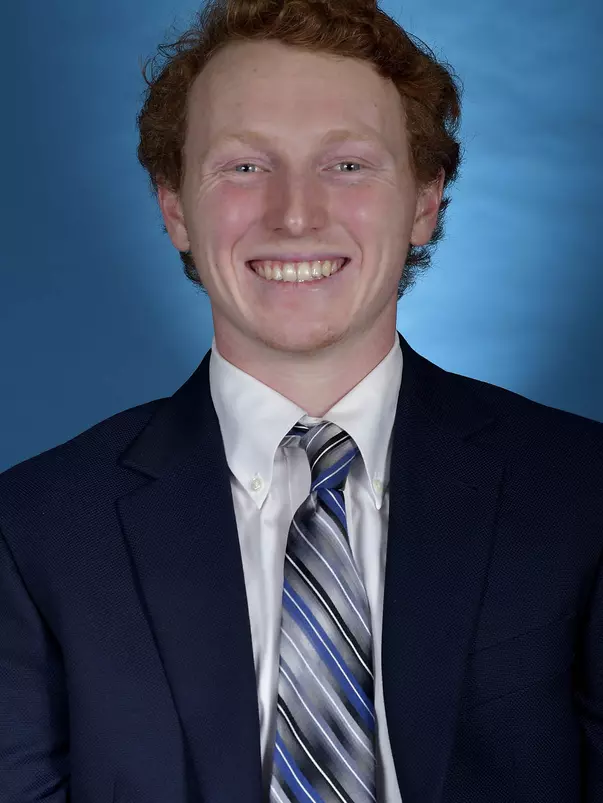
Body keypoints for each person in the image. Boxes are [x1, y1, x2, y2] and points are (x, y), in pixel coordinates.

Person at [1, 0, 602, 800]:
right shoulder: (33, 528)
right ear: (174, 206)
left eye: (346, 164)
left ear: (424, 201)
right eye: (244, 167)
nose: (294, 215)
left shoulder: (582, 491)